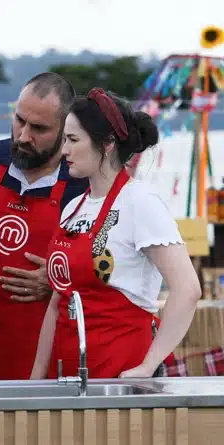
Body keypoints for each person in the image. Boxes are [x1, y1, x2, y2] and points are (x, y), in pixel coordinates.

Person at [30, 87, 201, 380]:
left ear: (107, 144)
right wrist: (36, 378)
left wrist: (147, 367)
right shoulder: (74, 207)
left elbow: (188, 290)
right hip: (67, 376)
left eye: (72, 140)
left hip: (121, 374)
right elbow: (59, 301)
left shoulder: (139, 202)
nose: (64, 151)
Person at [0, 73, 89, 381]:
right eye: (19, 121)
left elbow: (109, 269)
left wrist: (60, 282)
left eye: (39, 129)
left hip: (43, 360)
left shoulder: (83, 183)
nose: (23, 136)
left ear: (66, 131)